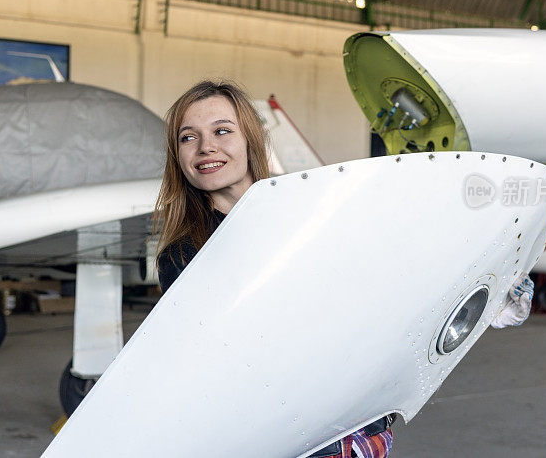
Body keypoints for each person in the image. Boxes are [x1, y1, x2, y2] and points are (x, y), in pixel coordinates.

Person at [154, 79, 395, 458]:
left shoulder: (314, 215)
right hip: (281, 435)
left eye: (222, 131)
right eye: (188, 138)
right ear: (178, 155)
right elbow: (214, 366)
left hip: (359, 426)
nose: (206, 147)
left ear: (251, 138)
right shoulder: (182, 256)